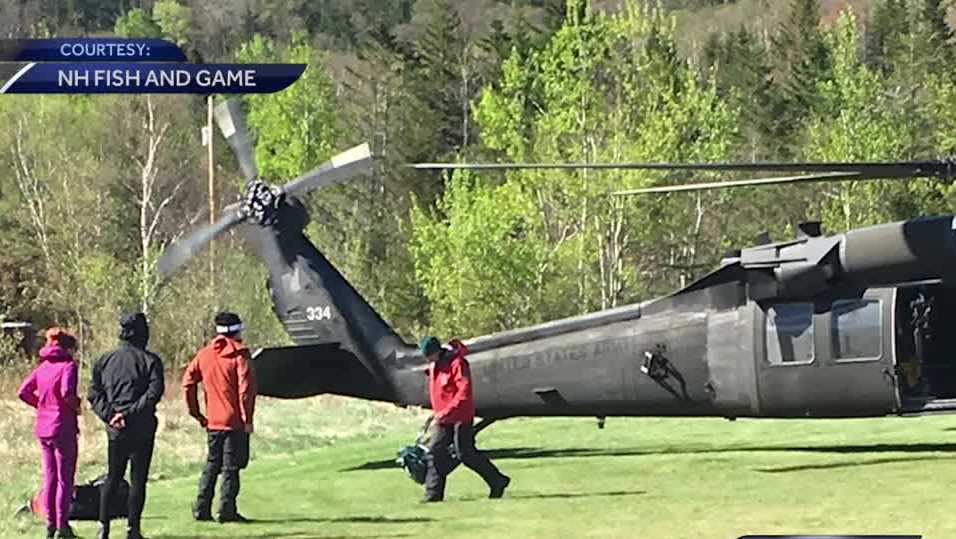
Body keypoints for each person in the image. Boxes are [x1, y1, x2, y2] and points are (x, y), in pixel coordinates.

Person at [88, 312, 164, 539]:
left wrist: (111, 416)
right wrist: (128, 415)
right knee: (138, 479)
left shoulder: (105, 360)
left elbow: (94, 393)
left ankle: (104, 527)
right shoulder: (150, 361)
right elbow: (153, 393)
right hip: (141, 428)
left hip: (116, 431)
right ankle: (133, 529)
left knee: (112, 476)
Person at [182, 312, 257, 523]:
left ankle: (201, 508)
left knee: (212, 464)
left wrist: (196, 413)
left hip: (213, 421)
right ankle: (227, 510)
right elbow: (246, 390)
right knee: (231, 467)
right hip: (234, 422)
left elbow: (187, 382)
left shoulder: (204, 354)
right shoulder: (240, 355)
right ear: (237, 330)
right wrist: (248, 419)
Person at [419, 336, 510, 503]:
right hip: (443, 419)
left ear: (437, 351)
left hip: (461, 417)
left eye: (430, 355)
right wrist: (436, 413)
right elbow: (438, 393)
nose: (428, 359)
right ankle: (433, 494)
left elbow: (464, 393)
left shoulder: (458, 363)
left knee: (465, 454)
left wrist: (446, 411)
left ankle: (497, 480)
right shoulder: (433, 366)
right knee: (434, 451)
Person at [18, 328, 81, 539]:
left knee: (50, 477)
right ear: (67, 346)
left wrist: (41, 405)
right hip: (62, 427)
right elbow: (66, 393)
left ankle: (50, 523)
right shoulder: (68, 366)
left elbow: (23, 391)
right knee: (65, 478)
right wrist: (76, 407)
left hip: (43, 428)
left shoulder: (42, 368)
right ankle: (63, 524)